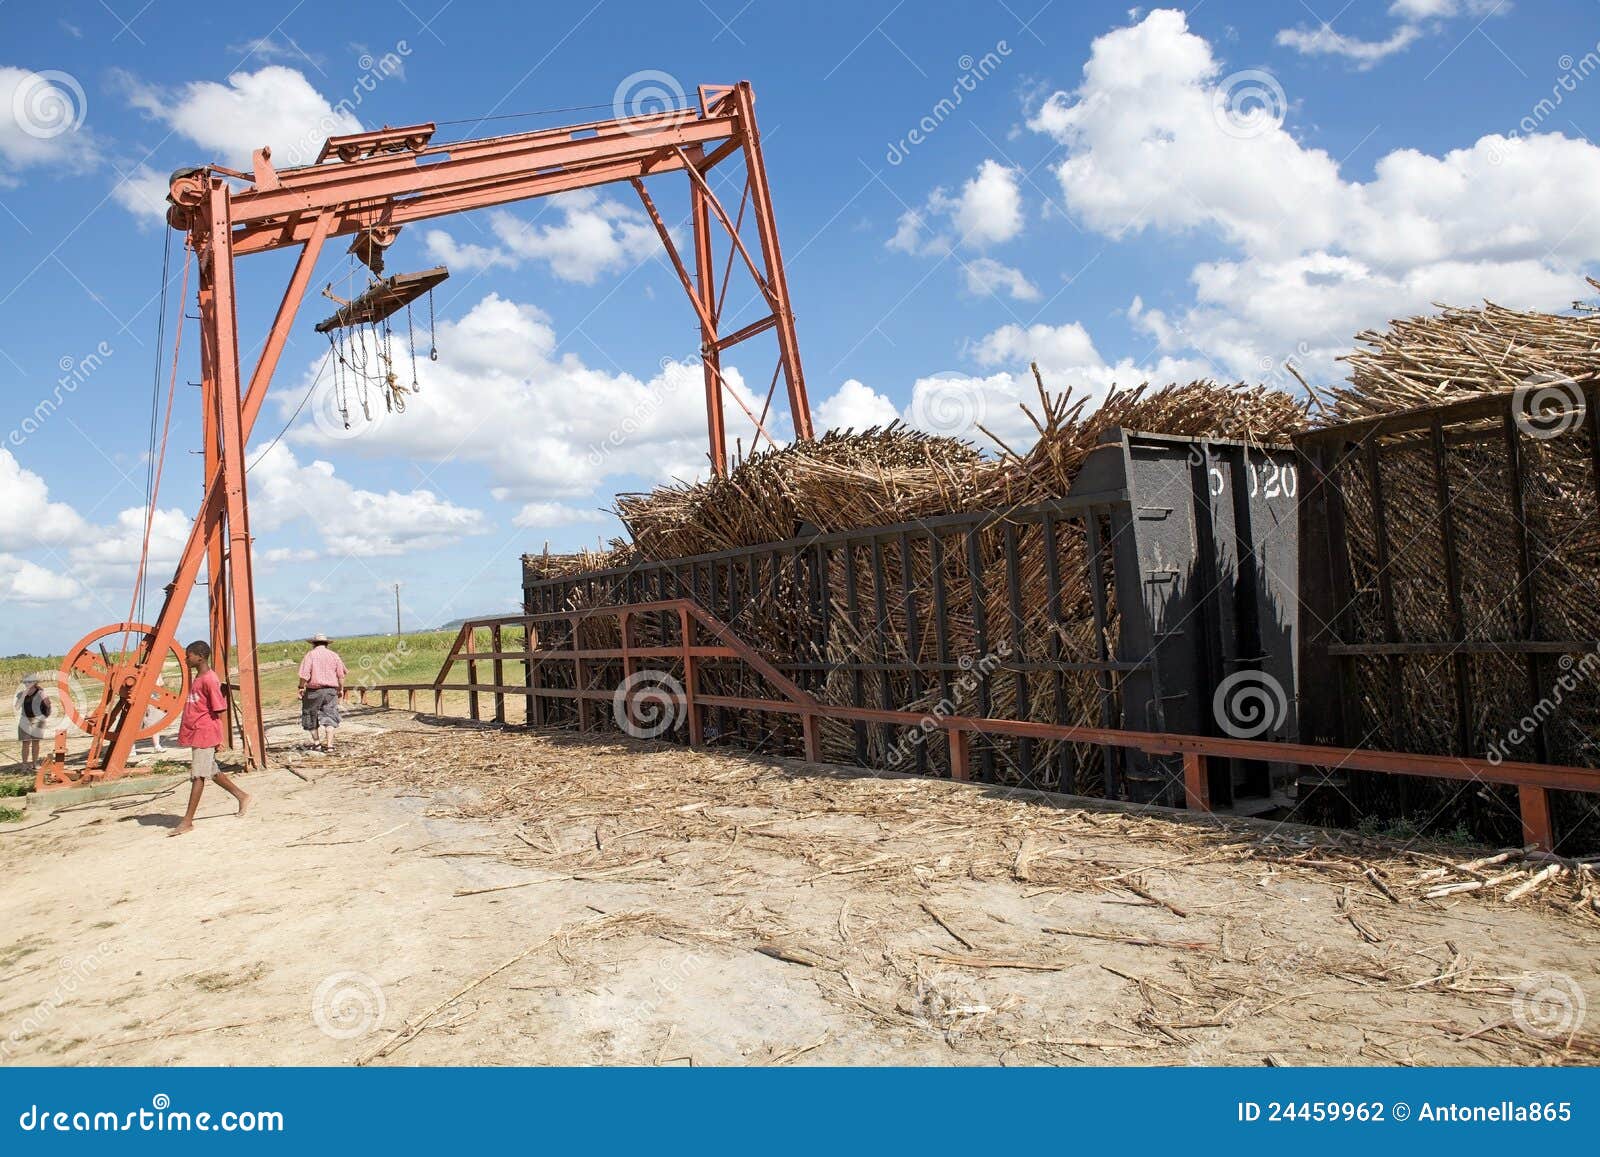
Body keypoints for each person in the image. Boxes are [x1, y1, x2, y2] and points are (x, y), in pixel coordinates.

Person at [172, 641, 250, 837]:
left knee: (198, 776)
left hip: (204, 734)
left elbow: (219, 709)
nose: (185, 658)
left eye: (188, 655)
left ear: (200, 657)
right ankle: (242, 796)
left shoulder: (209, 679)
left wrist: (218, 737)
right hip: (197, 732)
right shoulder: (199, 677)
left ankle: (187, 821)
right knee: (212, 771)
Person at [298, 633, 348, 754]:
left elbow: (304, 675)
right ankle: (330, 745)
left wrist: (300, 687)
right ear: (326, 644)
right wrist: (341, 689)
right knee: (330, 715)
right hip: (331, 690)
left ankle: (317, 744)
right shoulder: (334, 656)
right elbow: (341, 675)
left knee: (310, 715)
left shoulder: (310, 655)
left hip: (313, 691)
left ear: (313, 644)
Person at [14, 677, 50, 774]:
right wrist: (24, 694)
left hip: (38, 719)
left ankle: (34, 763)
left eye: (29, 682)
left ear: (34, 683)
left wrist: (45, 715)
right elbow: (17, 707)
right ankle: (24, 765)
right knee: (25, 743)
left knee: (35, 743)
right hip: (25, 720)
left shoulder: (40, 692)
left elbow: (48, 704)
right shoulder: (21, 693)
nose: (27, 684)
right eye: (25, 682)